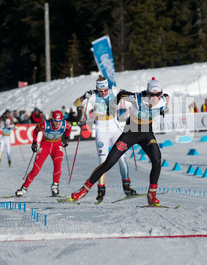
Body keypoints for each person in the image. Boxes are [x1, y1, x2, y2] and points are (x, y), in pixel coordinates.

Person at [69, 77, 170, 205]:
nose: (155, 98)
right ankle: (83, 190)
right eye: (152, 94)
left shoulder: (163, 100)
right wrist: (112, 106)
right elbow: (122, 94)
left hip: (147, 134)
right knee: (109, 163)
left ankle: (151, 194)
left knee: (157, 159)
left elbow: (167, 97)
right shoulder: (137, 98)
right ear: (147, 93)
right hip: (130, 133)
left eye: (158, 94)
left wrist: (162, 107)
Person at [73, 75, 135, 203]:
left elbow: (133, 97)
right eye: (100, 91)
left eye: (105, 90)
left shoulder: (114, 92)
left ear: (108, 87)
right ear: (97, 89)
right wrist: (84, 97)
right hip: (101, 131)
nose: (103, 93)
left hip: (115, 129)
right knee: (103, 162)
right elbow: (75, 103)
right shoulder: (93, 96)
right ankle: (101, 189)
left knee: (122, 158)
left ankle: (127, 186)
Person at [15, 110, 72, 197]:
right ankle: (23, 188)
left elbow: (69, 127)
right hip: (45, 145)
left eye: (59, 121)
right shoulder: (45, 124)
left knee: (58, 165)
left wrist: (67, 138)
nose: (57, 124)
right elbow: (36, 130)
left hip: (57, 145)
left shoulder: (65, 124)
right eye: (55, 121)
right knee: (35, 170)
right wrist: (34, 143)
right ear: (52, 119)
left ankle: (55, 187)